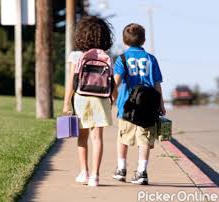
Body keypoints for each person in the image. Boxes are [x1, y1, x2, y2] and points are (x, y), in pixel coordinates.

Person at [112, 23, 166, 185]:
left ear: (124, 40)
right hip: (149, 106)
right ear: (143, 41)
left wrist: (112, 98)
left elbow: (116, 82)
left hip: (127, 106)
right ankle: (142, 172)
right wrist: (161, 105)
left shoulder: (122, 59)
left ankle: (121, 169)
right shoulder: (151, 59)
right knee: (144, 139)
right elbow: (157, 84)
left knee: (123, 137)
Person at [63, 16, 113, 187]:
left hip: (81, 98)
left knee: (82, 137)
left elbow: (71, 81)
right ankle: (95, 176)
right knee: (97, 138)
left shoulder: (76, 55)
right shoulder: (105, 56)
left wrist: (66, 103)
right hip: (100, 99)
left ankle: (83, 172)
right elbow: (111, 80)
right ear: (104, 36)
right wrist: (113, 97)